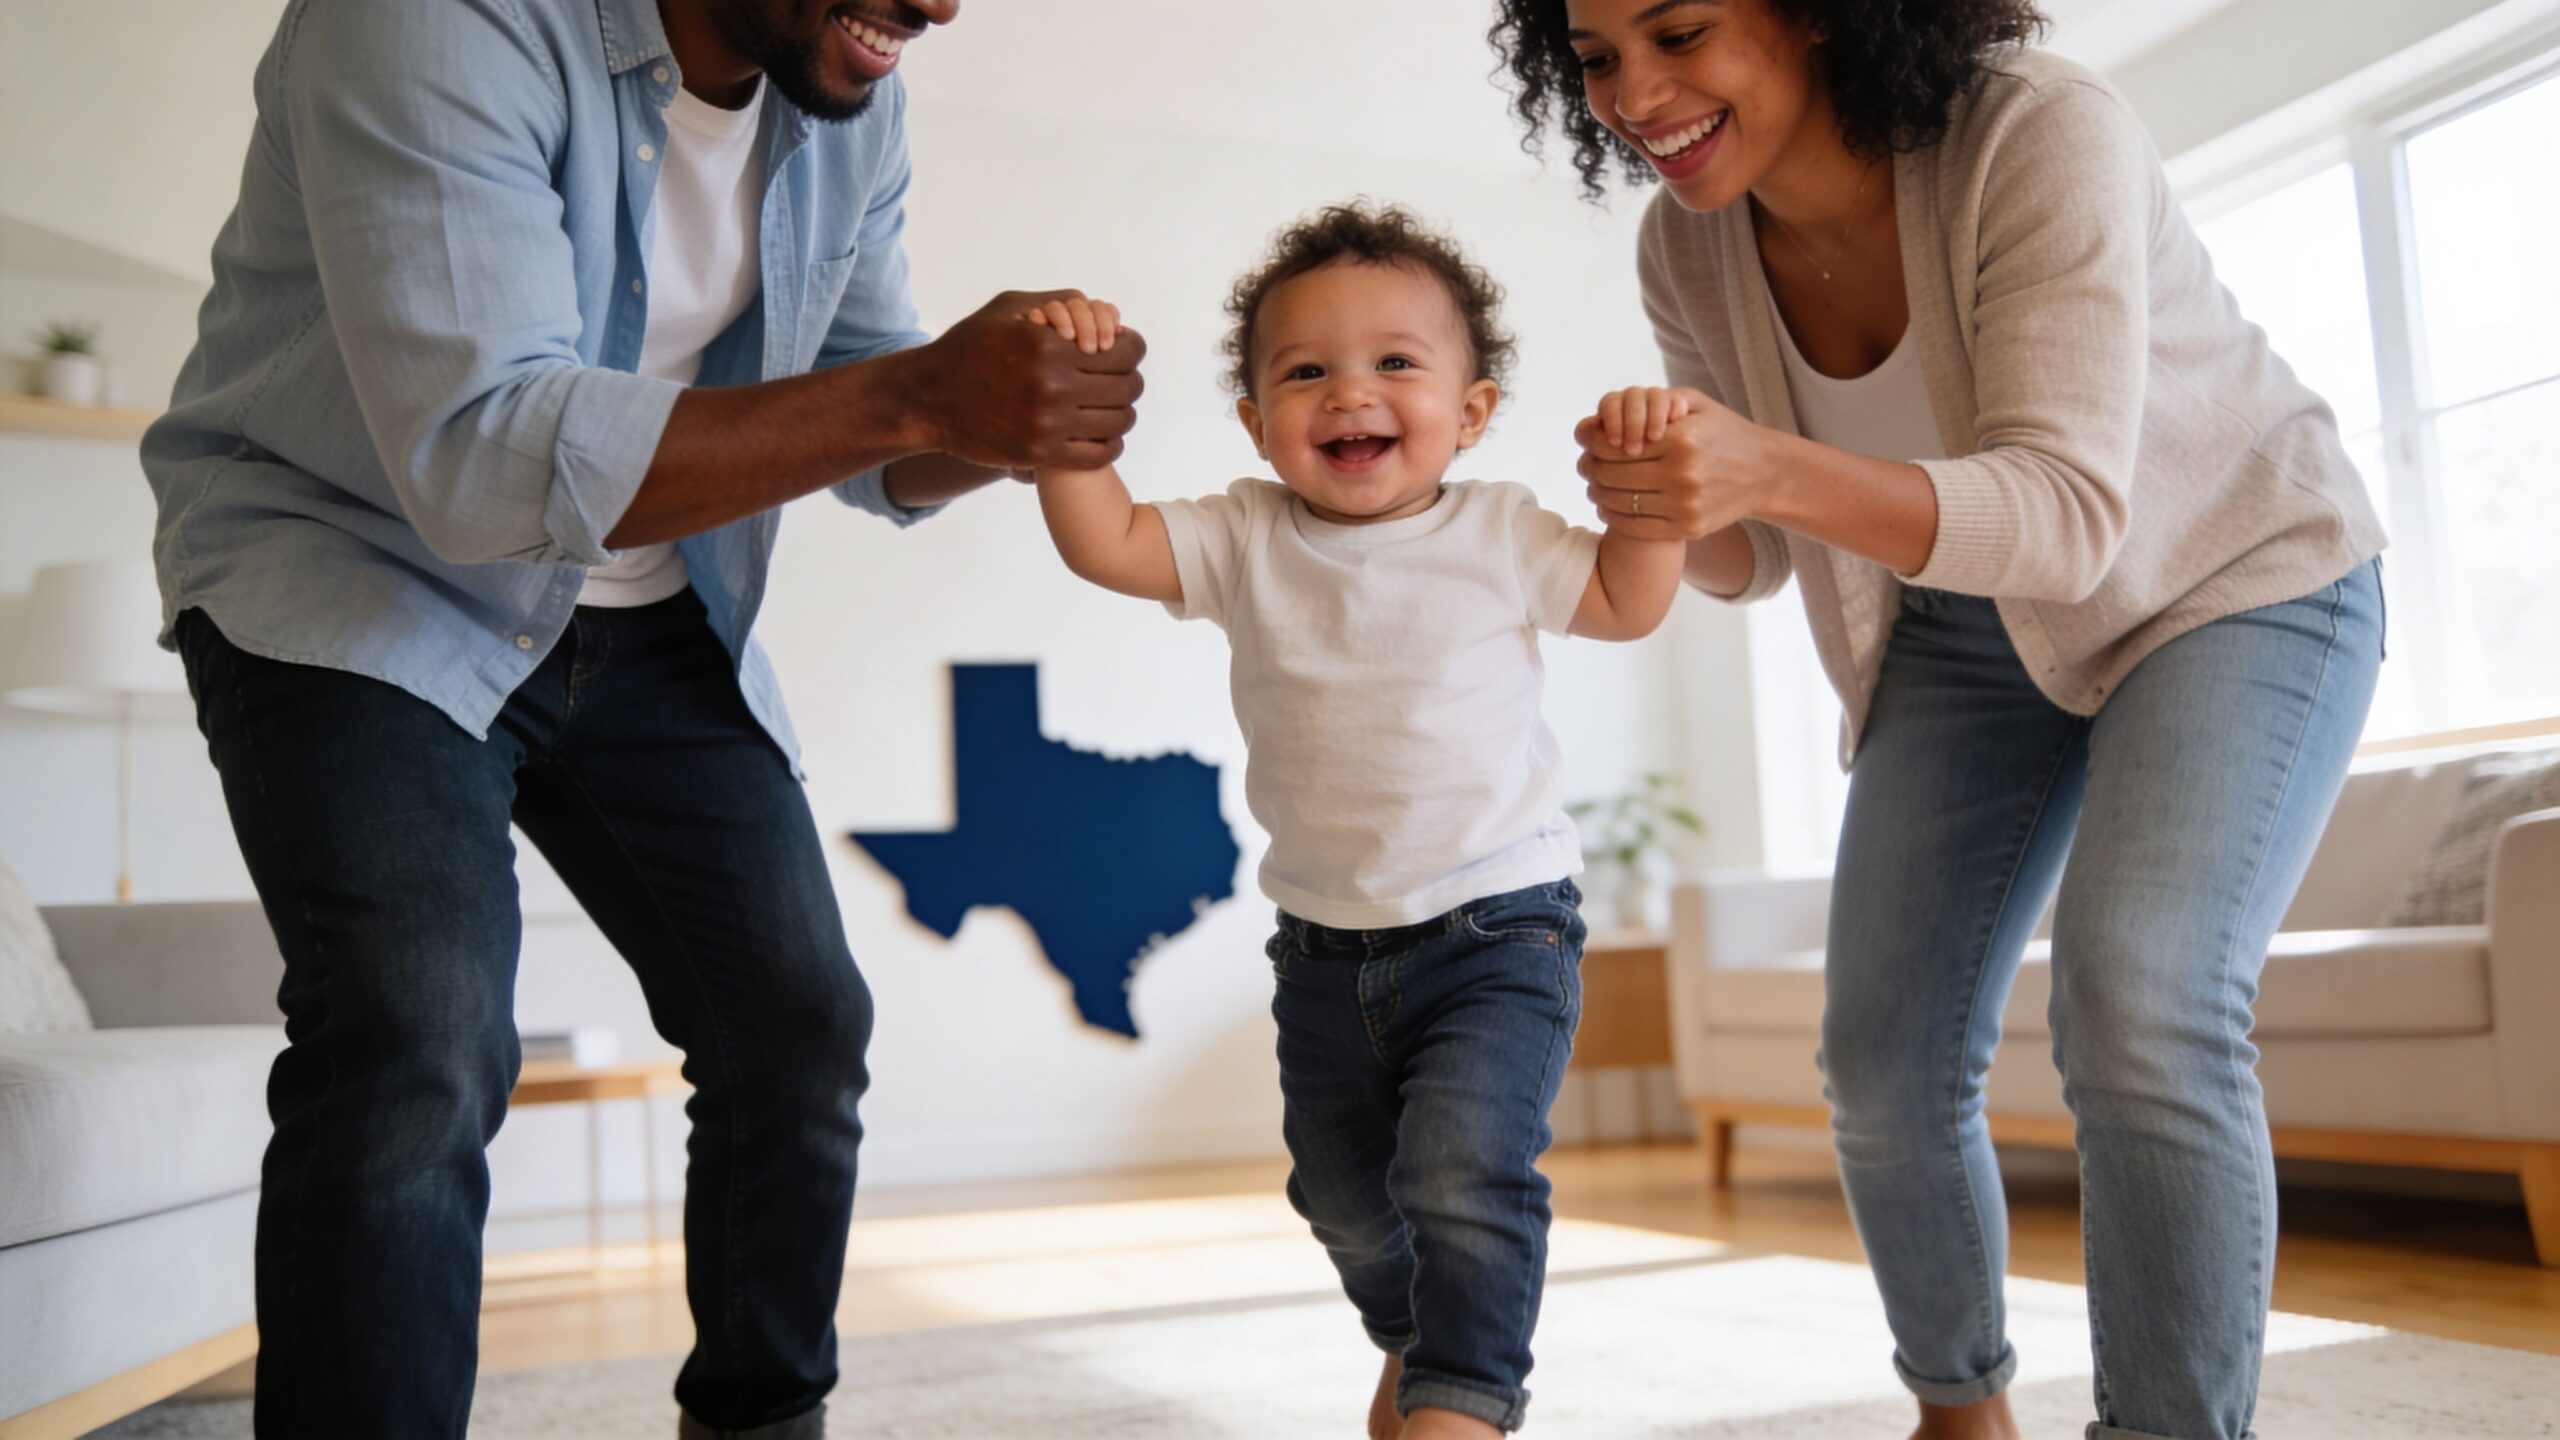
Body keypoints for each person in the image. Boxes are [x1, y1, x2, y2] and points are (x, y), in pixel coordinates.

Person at [139, 0, 1144, 1435]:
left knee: (796, 1026)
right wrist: (923, 393)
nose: (938, 4)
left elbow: (871, 434)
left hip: (651, 607)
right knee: (417, 1036)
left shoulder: (844, 98)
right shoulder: (432, 21)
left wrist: (1001, 423)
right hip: (358, 574)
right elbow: (479, 455)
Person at [1488, 3, 2387, 1438]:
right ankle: (1960, 1416)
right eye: (1596, 57)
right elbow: (1755, 557)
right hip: (1966, 627)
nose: (1636, 95)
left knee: (2141, 998)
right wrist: (1666, 502)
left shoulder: (2036, 130)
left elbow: (2067, 517)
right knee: (1882, 1060)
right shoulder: (1686, 245)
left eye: (1679, 31)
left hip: (2231, 578)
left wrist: (1759, 464)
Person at [1017, 202, 1686, 1439]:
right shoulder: (1245, 535)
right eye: (1304, 372)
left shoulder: (1496, 529)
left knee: (1462, 1172)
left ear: (1470, 412)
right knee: (1339, 1201)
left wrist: (1650, 501)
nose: (1348, 394)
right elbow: (1106, 542)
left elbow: (1621, 601)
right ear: (1254, 422)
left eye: (1393, 362)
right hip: (1323, 948)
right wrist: (1063, 419)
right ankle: (1415, 1341)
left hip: (1499, 925)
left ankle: (1462, 1401)